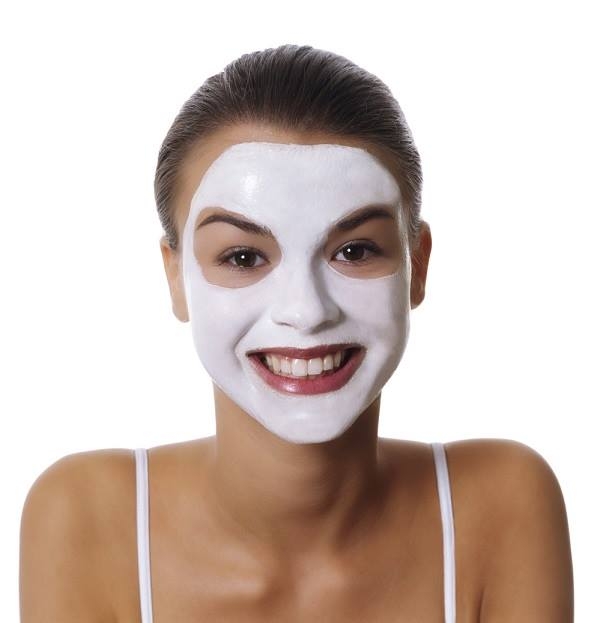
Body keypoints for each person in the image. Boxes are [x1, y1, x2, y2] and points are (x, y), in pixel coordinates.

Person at [19, 44, 573, 622]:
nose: (306, 312)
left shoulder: (501, 507)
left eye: (354, 251)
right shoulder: (85, 520)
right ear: (176, 278)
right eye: (243, 257)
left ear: (418, 265)